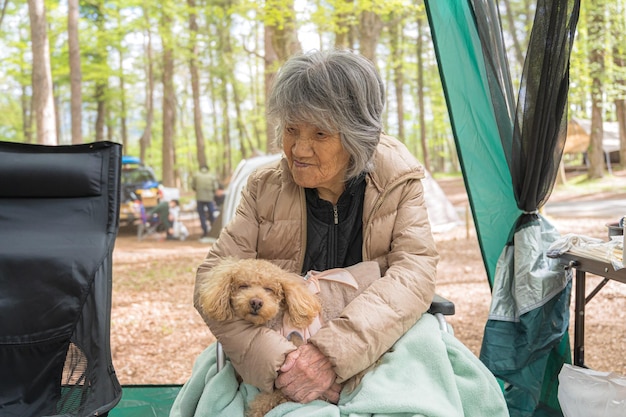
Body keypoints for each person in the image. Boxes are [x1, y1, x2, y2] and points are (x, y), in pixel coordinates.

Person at [193, 49, 439, 406]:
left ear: (358, 138)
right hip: (276, 344)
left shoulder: (398, 180)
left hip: (379, 338)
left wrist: (330, 354)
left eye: (320, 134)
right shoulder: (265, 187)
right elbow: (210, 278)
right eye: (291, 129)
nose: (299, 149)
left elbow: (414, 274)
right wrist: (284, 363)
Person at [191, 165, 220, 239]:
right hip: (209, 198)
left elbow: (193, 186)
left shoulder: (196, 175)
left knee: (202, 215)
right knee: (211, 213)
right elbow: (215, 187)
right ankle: (213, 230)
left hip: (199, 198)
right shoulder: (211, 176)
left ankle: (205, 231)